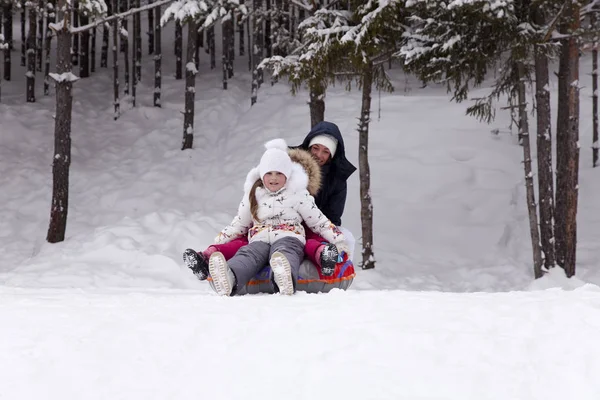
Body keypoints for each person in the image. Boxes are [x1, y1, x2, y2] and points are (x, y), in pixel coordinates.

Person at [183, 120, 356, 278]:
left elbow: (330, 218)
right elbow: (243, 218)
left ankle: (324, 261)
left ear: (332, 156)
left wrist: (326, 233)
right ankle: (209, 261)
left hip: (304, 223)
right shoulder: (287, 162)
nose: (319, 154)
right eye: (316, 148)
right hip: (266, 223)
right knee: (244, 241)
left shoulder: (335, 180)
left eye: (326, 151)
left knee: (312, 241)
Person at [201, 138, 348, 296]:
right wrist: (219, 240)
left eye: (279, 173)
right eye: (269, 173)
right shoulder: (253, 194)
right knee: (248, 254)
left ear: (287, 175)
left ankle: (283, 279)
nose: (273, 178)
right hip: (259, 238)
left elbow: (319, 221)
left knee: (286, 254)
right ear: (262, 175)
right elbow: (239, 224)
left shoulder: (297, 193)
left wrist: (338, 241)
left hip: (290, 237)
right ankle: (230, 278)